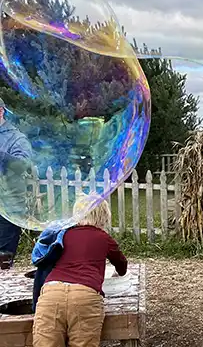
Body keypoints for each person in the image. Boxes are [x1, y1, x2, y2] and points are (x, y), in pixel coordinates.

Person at [32, 197, 128, 347]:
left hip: (51, 293)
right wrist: (120, 272)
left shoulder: (63, 235)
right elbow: (121, 264)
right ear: (104, 218)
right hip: (85, 295)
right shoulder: (104, 238)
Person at [0, 96, 32, 267]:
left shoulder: (16, 138)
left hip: (9, 209)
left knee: (2, 262)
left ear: (1, 111)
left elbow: (23, 166)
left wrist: (2, 156)